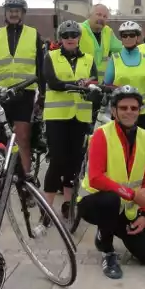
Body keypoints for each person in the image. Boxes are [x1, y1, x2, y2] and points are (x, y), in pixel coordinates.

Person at [77, 85, 145, 280]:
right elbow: (96, 177)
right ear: (113, 111)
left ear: (139, 111)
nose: (129, 112)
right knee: (110, 201)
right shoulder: (101, 135)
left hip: (125, 208)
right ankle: (107, 251)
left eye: (134, 108)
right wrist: (132, 195)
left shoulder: (144, 136)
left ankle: (105, 231)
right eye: (123, 108)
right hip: (94, 202)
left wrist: (144, 215)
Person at [0, 0, 45, 210]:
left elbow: (40, 66)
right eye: (10, 10)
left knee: (23, 139)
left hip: (24, 93)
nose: (14, 13)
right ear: (5, 13)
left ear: (23, 13)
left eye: (17, 10)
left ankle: (25, 187)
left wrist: (42, 95)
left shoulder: (34, 35)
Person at [42, 20, 98, 219]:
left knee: (75, 162)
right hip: (57, 117)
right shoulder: (51, 56)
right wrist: (77, 84)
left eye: (74, 35)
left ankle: (68, 203)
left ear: (79, 37)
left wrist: (89, 87)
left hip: (80, 117)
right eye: (66, 36)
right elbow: (53, 82)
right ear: (60, 39)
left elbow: (93, 82)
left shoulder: (89, 59)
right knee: (57, 161)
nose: (70, 38)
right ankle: (46, 208)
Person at [79, 4, 122, 82]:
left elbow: (120, 49)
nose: (101, 18)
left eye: (105, 16)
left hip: (101, 84)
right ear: (89, 15)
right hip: (81, 83)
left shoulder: (108, 31)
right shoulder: (79, 30)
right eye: (98, 14)